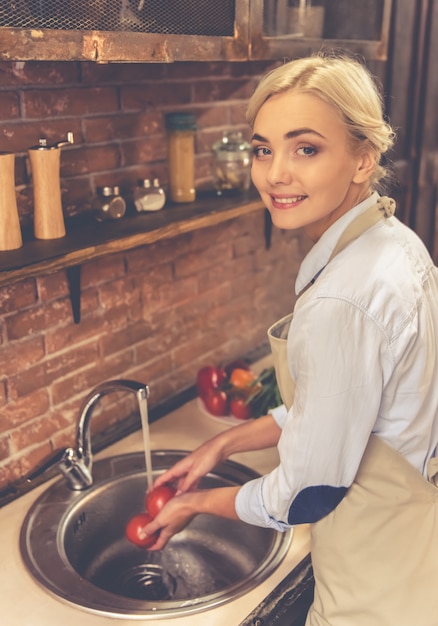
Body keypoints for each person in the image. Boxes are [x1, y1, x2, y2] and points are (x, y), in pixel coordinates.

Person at [145, 52, 438, 625]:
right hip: (413, 551)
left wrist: (195, 505)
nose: (275, 173)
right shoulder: (396, 243)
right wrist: (221, 445)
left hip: (371, 592)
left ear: (363, 158)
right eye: (262, 148)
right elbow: (341, 406)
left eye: (306, 148)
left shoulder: (341, 300)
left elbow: (306, 493)